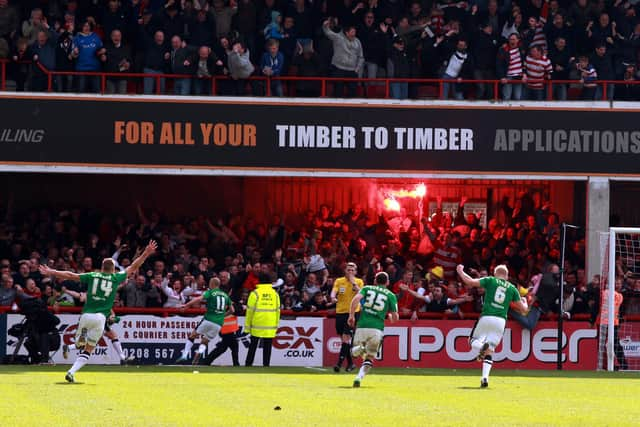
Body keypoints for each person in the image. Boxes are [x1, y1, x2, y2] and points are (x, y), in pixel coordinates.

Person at [39, 240, 157, 383]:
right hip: (100, 318)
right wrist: (146, 252)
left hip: (86, 315)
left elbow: (70, 275)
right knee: (88, 348)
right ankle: (71, 371)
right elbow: (134, 266)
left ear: (101, 268)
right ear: (113, 269)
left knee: (80, 343)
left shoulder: (92, 275)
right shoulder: (115, 278)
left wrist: (51, 271)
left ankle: (73, 355)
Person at [457, 264, 527, 388]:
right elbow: (523, 310)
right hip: (501, 321)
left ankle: (480, 346)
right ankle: (485, 378)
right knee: (490, 350)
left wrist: (461, 271)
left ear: (495, 274)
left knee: (472, 340)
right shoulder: (512, 288)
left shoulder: (490, 280)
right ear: (506, 276)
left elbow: (470, 282)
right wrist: (525, 302)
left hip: (487, 316)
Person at [348, 271, 398, 388]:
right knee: (370, 356)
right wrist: (390, 317)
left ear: (375, 281)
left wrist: (351, 316)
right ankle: (358, 377)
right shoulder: (391, 295)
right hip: (377, 329)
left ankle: (361, 348)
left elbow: (355, 300)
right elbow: (395, 316)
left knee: (354, 354)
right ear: (388, 282)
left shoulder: (366, 288)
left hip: (362, 325)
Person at [177, 277, 232, 365]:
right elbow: (232, 310)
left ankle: (185, 354)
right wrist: (222, 316)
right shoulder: (225, 295)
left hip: (208, 319)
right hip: (218, 324)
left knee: (192, 335)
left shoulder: (210, 292)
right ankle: (198, 354)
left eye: (210, 283)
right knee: (205, 341)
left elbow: (198, 299)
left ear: (212, 284)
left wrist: (186, 305)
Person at [330, 261, 362, 372]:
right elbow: (334, 291)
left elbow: (361, 293)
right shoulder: (339, 281)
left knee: (345, 338)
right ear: (345, 271)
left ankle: (338, 364)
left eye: (352, 270)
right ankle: (351, 364)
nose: (350, 272)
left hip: (353, 313)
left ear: (356, 272)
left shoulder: (359, 282)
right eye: (348, 270)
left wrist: (354, 283)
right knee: (344, 340)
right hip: (340, 312)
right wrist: (333, 297)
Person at [244, 274, 281, 367]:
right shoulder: (275, 294)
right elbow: (278, 311)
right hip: (270, 324)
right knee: (268, 347)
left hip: (257, 323)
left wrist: (247, 328)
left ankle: (248, 364)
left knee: (253, 346)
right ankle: (266, 365)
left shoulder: (255, 293)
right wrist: (276, 325)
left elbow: (249, 312)